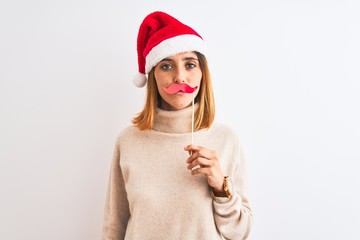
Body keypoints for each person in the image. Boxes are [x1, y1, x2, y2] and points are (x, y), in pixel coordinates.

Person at [102, 11, 253, 240]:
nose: (180, 77)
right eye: (166, 66)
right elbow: (114, 225)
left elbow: (239, 233)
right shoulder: (129, 140)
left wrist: (220, 187)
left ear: (203, 73)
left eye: (190, 64)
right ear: (152, 75)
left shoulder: (226, 139)